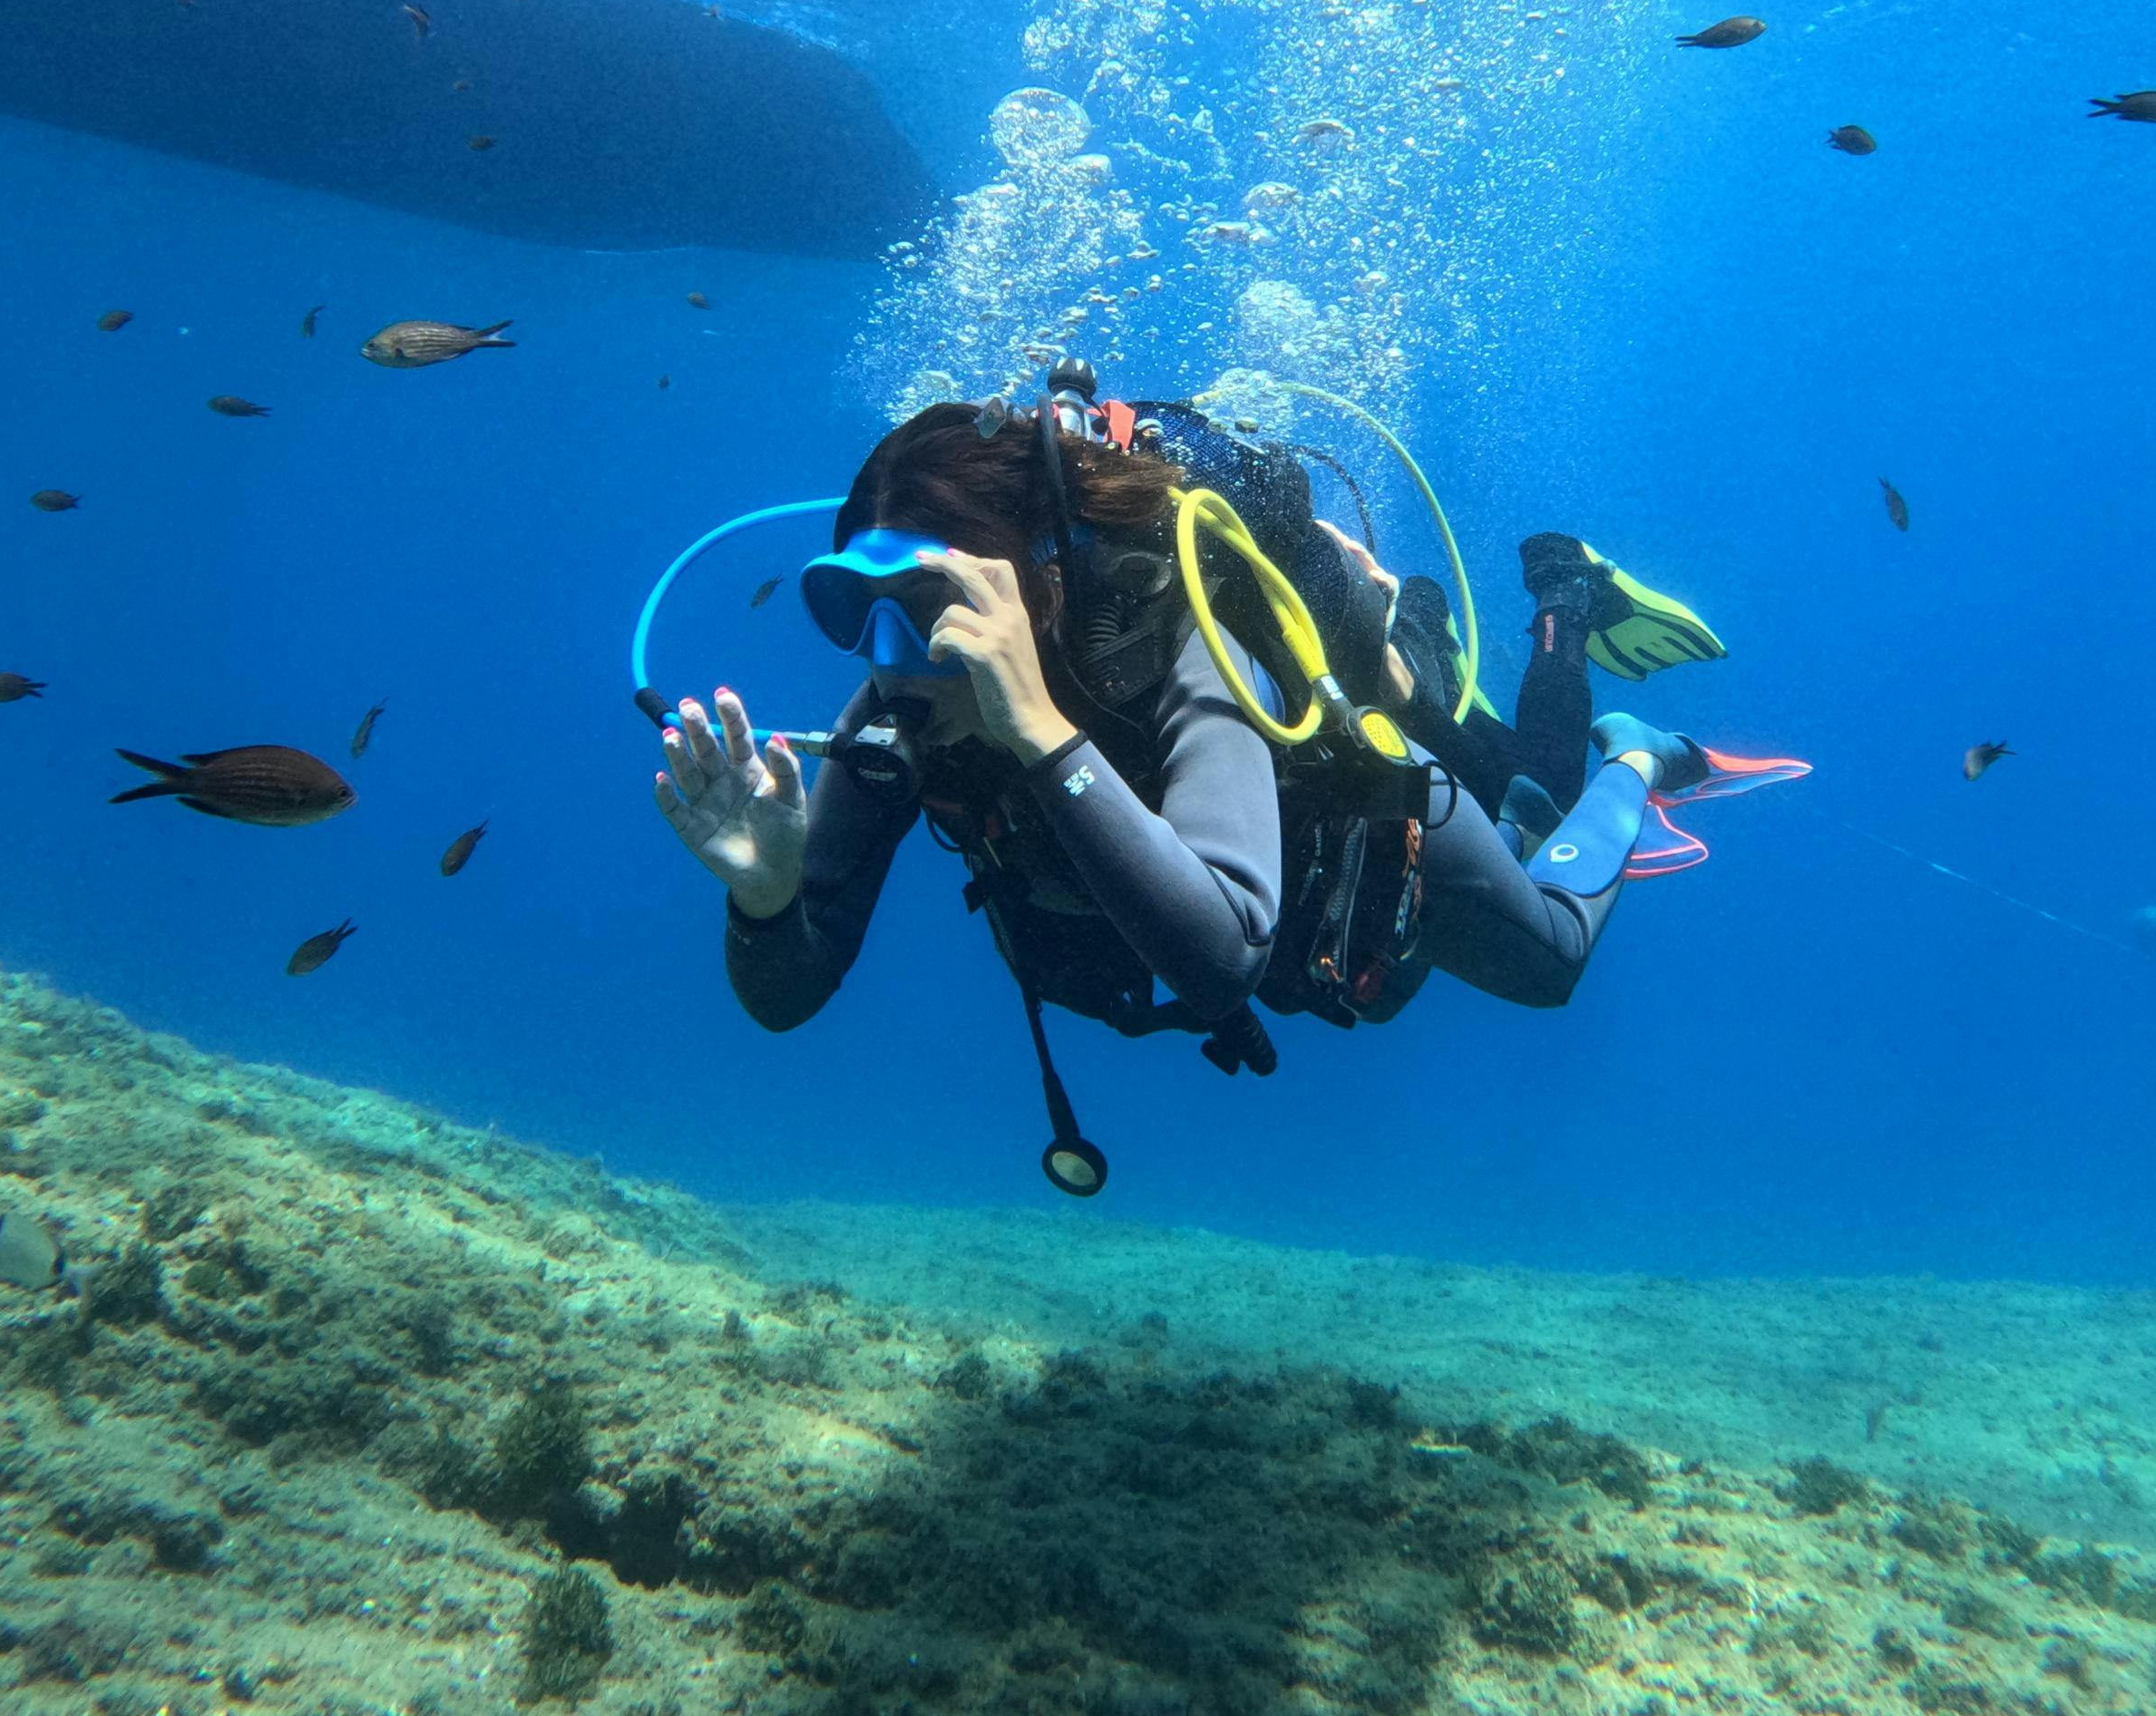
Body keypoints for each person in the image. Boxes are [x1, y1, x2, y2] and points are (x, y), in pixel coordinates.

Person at [649, 387, 1732, 1179]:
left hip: (1347, 798)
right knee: (1397, 985)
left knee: (1545, 932)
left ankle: (1603, 691)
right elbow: (788, 996)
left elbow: (1223, 956)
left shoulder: (1179, 645)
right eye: (854, 609)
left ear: (1035, 591)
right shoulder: (905, 709)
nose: (893, 655)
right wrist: (764, 895)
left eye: (933, 604)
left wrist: (1037, 729)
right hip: (1324, 927)